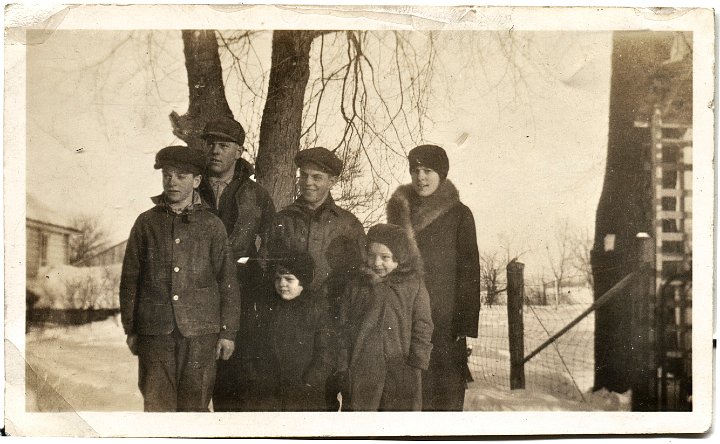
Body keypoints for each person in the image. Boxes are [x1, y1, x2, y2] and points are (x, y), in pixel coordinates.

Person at [119, 145, 241, 412]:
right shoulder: (146, 223)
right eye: (167, 175)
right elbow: (130, 280)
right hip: (155, 334)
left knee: (194, 409)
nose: (172, 181)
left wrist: (228, 332)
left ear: (197, 181)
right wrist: (132, 328)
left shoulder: (212, 225)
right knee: (157, 408)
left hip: (200, 335)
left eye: (182, 175)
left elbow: (227, 282)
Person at [269, 146, 366, 411]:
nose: (308, 183)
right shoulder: (283, 220)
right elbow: (268, 269)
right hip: (292, 328)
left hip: (334, 323)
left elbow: (359, 279)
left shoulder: (349, 225)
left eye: (317, 177)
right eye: (304, 176)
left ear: (332, 181)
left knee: (325, 399)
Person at [387, 144, 481, 411]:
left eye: (428, 170)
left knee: (443, 391)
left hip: (444, 318)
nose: (421, 177)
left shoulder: (460, 214)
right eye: (415, 170)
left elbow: (469, 270)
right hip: (405, 314)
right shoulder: (399, 211)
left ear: (441, 174)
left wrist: (464, 322)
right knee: (406, 390)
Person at [197, 117, 276, 412]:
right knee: (194, 393)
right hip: (197, 304)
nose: (215, 151)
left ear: (239, 152)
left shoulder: (256, 196)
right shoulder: (191, 189)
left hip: (242, 303)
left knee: (235, 393)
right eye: (211, 145)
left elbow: (270, 249)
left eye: (224, 145)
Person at [337, 224, 433, 411]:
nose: (376, 262)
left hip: (402, 368)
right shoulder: (357, 286)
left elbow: (423, 325)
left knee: (398, 423)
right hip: (363, 369)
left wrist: (417, 363)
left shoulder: (413, 286)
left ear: (400, 259)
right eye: (371, 255)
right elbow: (343, 327)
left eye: (385, 257)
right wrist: (343, 365)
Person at [250, 250, 333, 411]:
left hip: (303, 390)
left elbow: (327, 350)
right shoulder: (268, 307)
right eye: (278, 278)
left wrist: (311, 379)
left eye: (289, 279)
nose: (282, 284)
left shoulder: (316, 308)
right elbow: (254, 344)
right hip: (269, 390)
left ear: (303, 281)